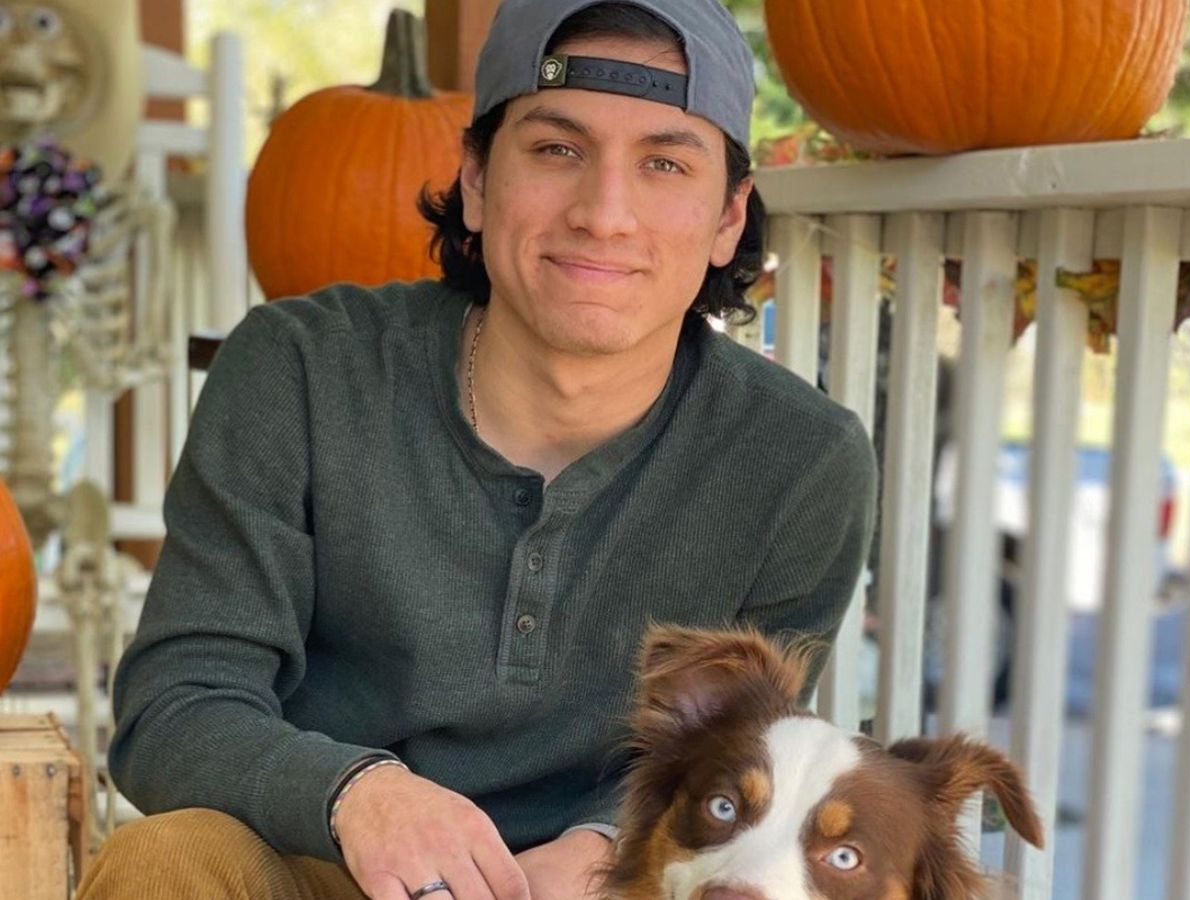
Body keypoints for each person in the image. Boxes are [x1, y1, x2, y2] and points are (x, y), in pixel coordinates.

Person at [77, 1, 878, 898]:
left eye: (663, 163)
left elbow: (736, 752)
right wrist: (359, 795)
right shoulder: (299, 369)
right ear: (476, 179)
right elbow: (176, 706)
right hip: (325, 857)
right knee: (167, 859)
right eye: (557, 149)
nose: (604, 213)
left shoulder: (802, 463)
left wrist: (602, 852)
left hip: (597, 880)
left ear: (729, 216)